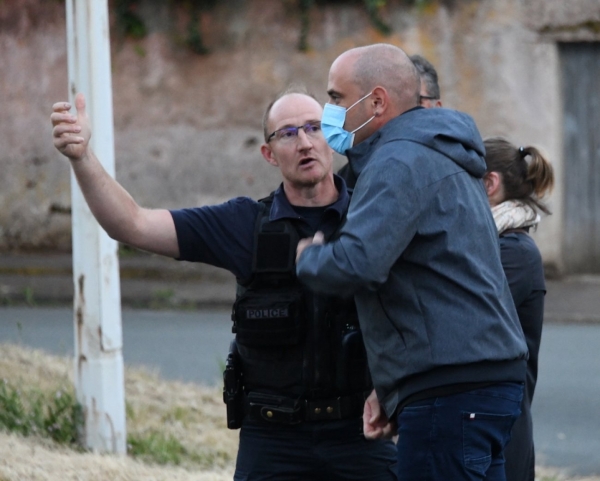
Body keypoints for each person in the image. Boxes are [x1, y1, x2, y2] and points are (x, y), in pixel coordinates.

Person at [51, 88, 397, 481]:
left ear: (331, 138)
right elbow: (131, 224)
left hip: (362, 434)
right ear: (268, 154)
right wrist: (82, 157)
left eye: (314, 128)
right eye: (287, 134)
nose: (303, 142)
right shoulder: (244, 225)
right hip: (272, 441)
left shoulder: (373, 216)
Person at [295, 43, 528, 481]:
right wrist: (393, 388)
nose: (329, 112)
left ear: (377, 101)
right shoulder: (444, 153)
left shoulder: (399, 160)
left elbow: (358, 262)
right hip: (482, 383)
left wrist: (310, 257)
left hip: (451, 390)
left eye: (336, 98)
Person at [482, 138, 554, 481]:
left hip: (501, 433)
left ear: (490, 184)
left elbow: (471, 318)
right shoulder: (494, 244)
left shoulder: (515, 253)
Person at [338, 53, 441, 188]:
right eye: (397, 100)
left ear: (437, 108)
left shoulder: (456, 163)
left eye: (415, 101)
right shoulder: (351, 176)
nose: (404, 110)